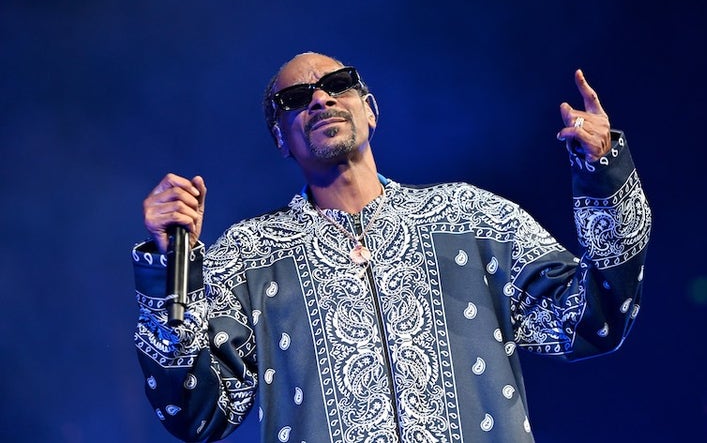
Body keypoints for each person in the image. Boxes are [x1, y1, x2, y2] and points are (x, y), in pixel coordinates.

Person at [132, 52, 651, 442]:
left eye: (338, 84)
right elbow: (197, 412)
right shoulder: (249, 255)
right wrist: (169, 264)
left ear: (370, 111)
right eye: (296, 99)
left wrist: (602, 172)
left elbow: (594, 319)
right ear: (280, 138)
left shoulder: (469, 217)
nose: (320, 99)